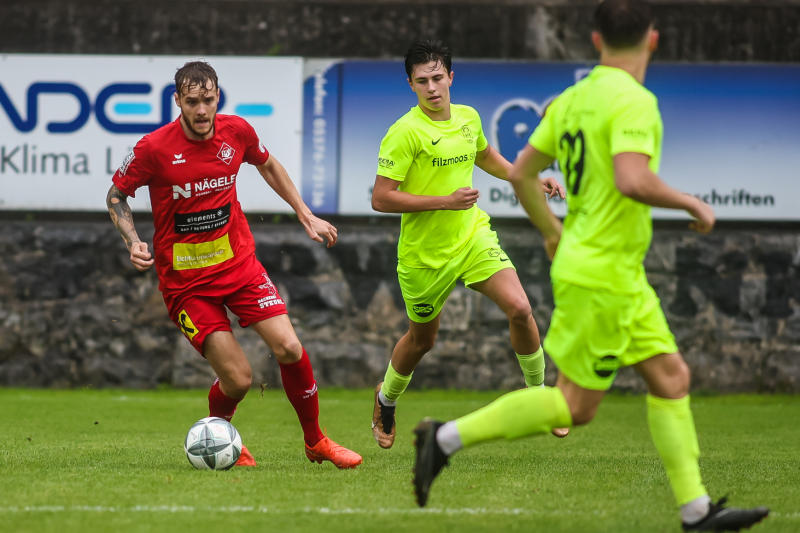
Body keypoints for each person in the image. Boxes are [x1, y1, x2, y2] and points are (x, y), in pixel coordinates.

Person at [411, 1, 770, 530]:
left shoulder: (572, 99)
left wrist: (552, 232)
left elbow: (523, 173)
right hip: (603, 274)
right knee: (576, 406)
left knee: (671, 377)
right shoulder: (636, 101)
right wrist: (691, 202)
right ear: (653, 39)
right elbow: (632, 179)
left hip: (616, 271)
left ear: (597, 40)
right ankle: (443, 439)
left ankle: (696, 511)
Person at [106, 61, 361, 469]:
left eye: (208, 100)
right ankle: (219, 440)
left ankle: (316, 442)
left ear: (217, 97)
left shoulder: (237, 131)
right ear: (178, 101)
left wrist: (305, 213)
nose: (201, 110)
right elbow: (116, 195)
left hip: (240, 268)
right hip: (187, 286)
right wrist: (133, 240)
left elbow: (268, 164)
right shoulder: (152, 148)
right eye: (192, 101)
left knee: (290, 347)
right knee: (239, 379)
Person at [370, 39, 567, 449]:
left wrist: (528, 178)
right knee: (422, 341)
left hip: (472, 236)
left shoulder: (468, 117)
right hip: (424, 256)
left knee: (520, 308)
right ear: (411, 85)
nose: (431, 87)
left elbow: (487, 156)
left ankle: (539, 399)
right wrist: (444, 200)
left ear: (450, 77)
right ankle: (386, 399)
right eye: (422, 81)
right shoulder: (404, 133)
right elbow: (381, 198)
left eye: (437, 77)